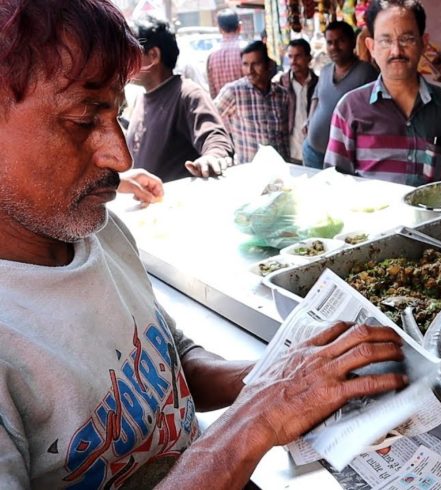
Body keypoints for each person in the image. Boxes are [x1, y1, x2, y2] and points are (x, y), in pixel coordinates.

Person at [0, 1, 407, 488]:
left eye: (118, 111)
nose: (120, 154)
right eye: (85, 119)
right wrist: (253, 422)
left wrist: (279, 380)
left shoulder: (100, 232)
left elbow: (172, 365)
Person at [324, 0, 441, 186]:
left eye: (407, 39)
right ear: (371, 47)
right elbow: (333, 184)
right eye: (385, 41)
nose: (396, 51)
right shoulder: (349, 108)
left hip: (435, 216)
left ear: (423, 43)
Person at [127, 16, 234, 181]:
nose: (124, 61)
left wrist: (212, 157)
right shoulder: (141, 98)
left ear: (153, 55)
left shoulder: (188, 94)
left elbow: (215, 137)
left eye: (131, 53)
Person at [303, 21, 379, 169]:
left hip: (341, 159)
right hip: (312, 150)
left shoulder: (366, 73)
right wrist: (309, 121)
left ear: (352, 42)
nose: (334, 47)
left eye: (340, 41)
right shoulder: (325, 71)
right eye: (330, 42)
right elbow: (316, 97)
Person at [215, 41, 290, 164]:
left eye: (256, 64)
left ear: (268, 64)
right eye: (245, 64)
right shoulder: (234, 92)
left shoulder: (282, 95)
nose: (250, 70)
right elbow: (209, 119)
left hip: (279, 168)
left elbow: (285, 134)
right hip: (248, 170)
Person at [274, 39, 319, 164]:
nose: (293, 61)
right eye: (290, 56)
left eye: (298, 56)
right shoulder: (280, 83)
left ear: (308, 58)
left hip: (313, 151)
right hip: (289, 151)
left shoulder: (319, 84)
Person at [207, 8, 244, 98]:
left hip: (222, 109)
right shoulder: (246, 50)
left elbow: (212, 92)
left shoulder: (211, 55)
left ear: (219, 29)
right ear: (239, 27)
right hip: (247, 108)